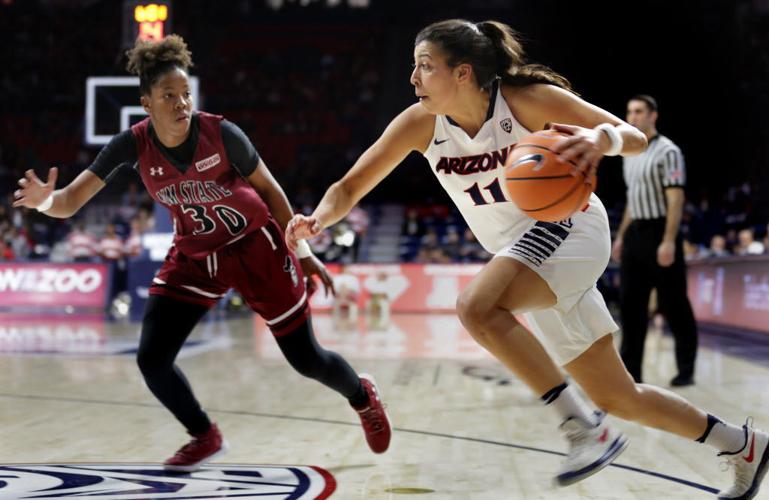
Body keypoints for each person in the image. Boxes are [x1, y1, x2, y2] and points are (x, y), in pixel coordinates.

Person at [285, 19, 768, 498]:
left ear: (463, 72)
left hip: (569, 227)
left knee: (476, 307)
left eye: (425, 66)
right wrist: (318, 219)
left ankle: (583, 428)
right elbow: (349, 186)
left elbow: (635, 138)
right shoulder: (420, 124)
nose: (413, 78)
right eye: (414, 66)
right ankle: (743, 445)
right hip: (526, 256)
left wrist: (602, 140)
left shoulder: (527, 100)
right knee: (621, 397)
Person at [12, 34, 390, 472]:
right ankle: (204, 435)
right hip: (196, 254)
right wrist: (44, 200)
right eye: (168, 96)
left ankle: (362, 396)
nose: (181, 103)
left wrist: (302, 253)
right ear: (146, 104)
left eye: (185, 93)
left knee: (306, 359)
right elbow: (69, 202)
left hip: (256, 246)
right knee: (152, 359)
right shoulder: (131, 144)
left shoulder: (222, 133)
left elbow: (271, 191)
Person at [612, 95, 699, 388]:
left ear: (653, 115)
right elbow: (633, 199)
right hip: (635, 234)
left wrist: (669, 241)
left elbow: (676, 198)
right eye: (629, 112)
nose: (632, 117)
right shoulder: (628, 154)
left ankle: (686, 369)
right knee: (631, 306)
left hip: (661, 231)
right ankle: (631, 374)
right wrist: (621, 237)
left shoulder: (668, 151)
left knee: (674, 304)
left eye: (639, 111)